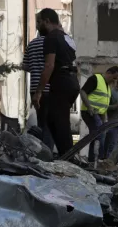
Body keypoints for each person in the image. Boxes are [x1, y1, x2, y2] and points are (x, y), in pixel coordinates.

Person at [32, 8, 79, 155]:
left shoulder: (51, 38)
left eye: (39, 22)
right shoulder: (66, 38)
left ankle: (68, 156)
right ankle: (68, 154)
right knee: (57, 119)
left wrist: (39, 91)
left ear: (47, 21)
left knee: (57, 121)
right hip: (72, 81)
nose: (37, 26)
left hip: (61, 81)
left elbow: (49, 65)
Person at [79, 66, 118, 162]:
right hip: (89, 112)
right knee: (100, 134)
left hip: (98, 114)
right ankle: (100, 159)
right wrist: (89, 107)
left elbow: (103, 105)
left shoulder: (107, 86)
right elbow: (83, 91)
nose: (114, 81)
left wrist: (104, 119)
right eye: (114, 78)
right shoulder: (96, 79)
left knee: (95, 135)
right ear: (108, 73)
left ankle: (92, 160)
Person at [22, 21, 53, 149]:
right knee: (50, 124)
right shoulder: (52, 43)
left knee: (41, 122)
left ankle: (41, 151)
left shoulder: (31, 44)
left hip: (34, 88)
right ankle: (48, 153)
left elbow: (25, 66)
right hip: (49, 88)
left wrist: (36, 68)